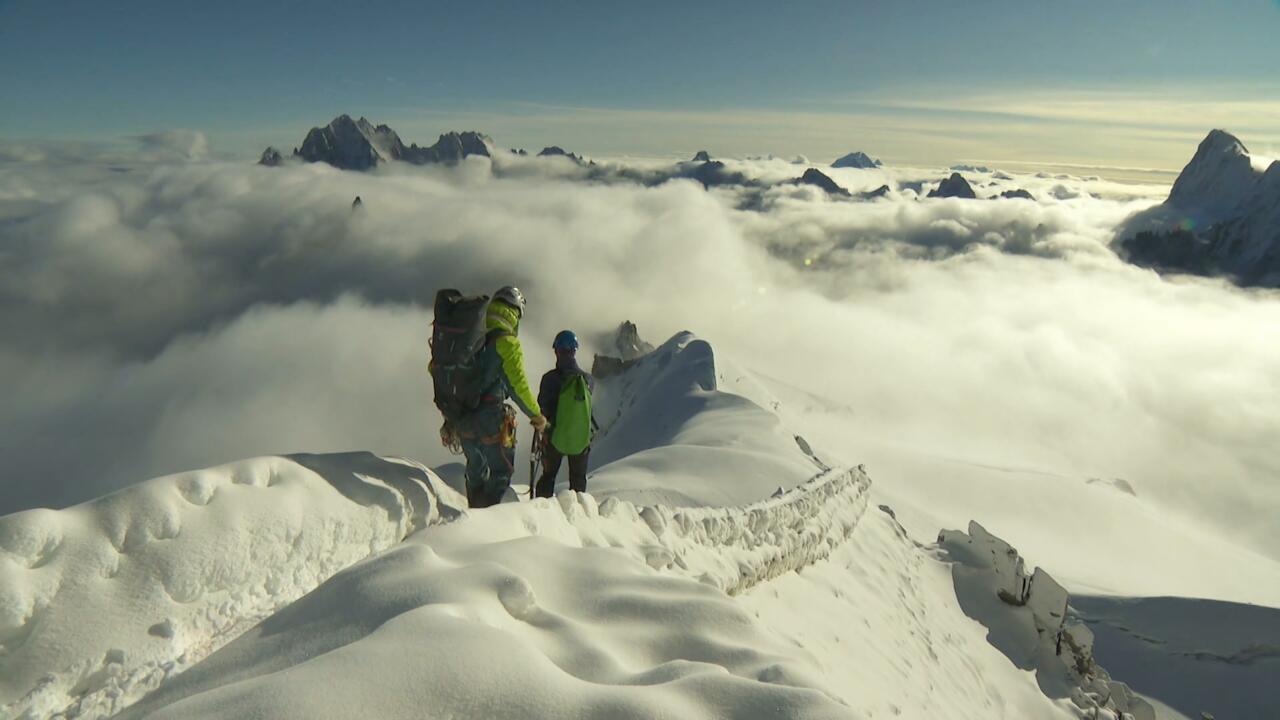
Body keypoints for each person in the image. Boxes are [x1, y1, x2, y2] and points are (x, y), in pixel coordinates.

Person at [455, 286, 546, 508]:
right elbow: (518, 385)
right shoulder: (507, 342)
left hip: (462, 415)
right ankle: (490, 529)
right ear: (515, 313)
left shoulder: (472, 336)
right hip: (491, 418)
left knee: (475, 468)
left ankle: (470, 519)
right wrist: (536, 415)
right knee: (501, 471)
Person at [534, 330, 595, 497]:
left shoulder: (549, 379)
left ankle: (541, 510)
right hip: (580, 438)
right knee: (578, 479)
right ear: (575, 351)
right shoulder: (588, 380)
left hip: (554, 436)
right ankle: (579, 514)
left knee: (548, 477)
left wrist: (544, 433)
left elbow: (543, 407)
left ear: (556, 351)